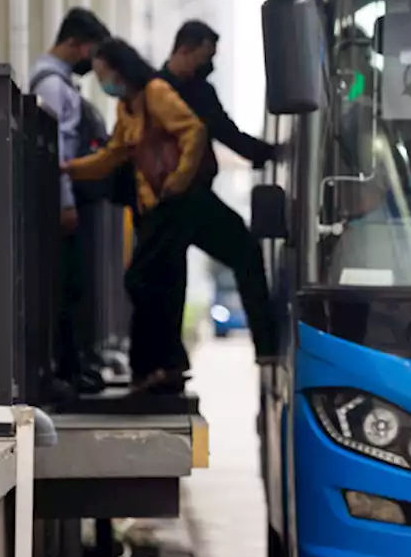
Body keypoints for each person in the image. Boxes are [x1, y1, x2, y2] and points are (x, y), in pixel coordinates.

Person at [64, 39, 208, 393]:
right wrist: (70, 168)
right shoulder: (126, 109)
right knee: (156, 283)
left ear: (120, 68)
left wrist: (179, 178)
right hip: (151, 207)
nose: (102, 82)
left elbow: (194, 131)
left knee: (142, 280)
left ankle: (160, 363)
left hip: (172, 202)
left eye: (104, 74)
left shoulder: (156, 93)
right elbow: (113, 155)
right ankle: (155, 368)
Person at [157, 20, 281, 365]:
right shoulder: (161, 92)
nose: (209, 65)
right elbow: (225, 133)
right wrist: (269, 153)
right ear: (185, 50)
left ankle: (267, 346)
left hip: (192, 198)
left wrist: (266, 153)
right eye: (205, 56)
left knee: (243, 253)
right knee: (168, 281)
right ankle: (166, 362)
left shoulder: (193, 89)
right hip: (172, 201)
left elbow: (226, 131)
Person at [29, 7, 111, 395]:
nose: (91, 64)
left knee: (72, 285)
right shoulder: (51, 85)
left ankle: (72, 367)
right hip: (61, 203)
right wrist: (65, 203)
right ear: (74, 43)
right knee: (64, 286)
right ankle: (63, 370)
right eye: (90, 52)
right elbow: (58, 147)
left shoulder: (55, 83)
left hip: (64, 200)